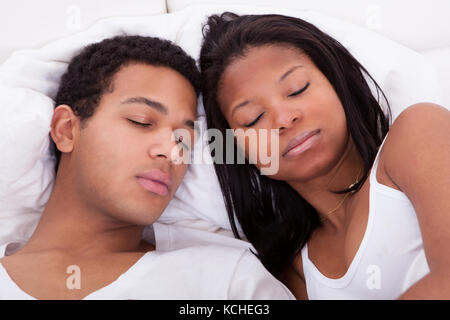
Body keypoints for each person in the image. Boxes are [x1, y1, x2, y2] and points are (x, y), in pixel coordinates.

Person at [0, 35, 294, 300]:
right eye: (141, 121)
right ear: (66, 129)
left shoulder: (228, 283)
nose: (173, 152)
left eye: (185, 139)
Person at [199, 12, 450, 299]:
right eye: (253, 118)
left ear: (336, 81)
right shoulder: (295, 274)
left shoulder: (418, 132)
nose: (283, 118)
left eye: (297, 89)